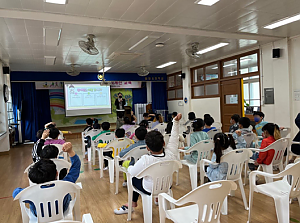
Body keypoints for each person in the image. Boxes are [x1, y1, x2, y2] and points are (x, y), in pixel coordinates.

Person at [114, 113, 182, 214]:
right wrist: (176, 122)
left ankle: (132, 203)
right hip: (167, 185)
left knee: (134, 178)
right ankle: (159, 198)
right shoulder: (171, 153)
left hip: (149, 188)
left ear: (147, 148)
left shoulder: (146, 159)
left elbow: (133, 172)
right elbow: (174, 137)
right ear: (163, 143)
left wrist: (130, 166)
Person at [12, 142, 81, 216]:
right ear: (57, 173)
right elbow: (76, 166)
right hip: (62, 210)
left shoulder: (31, 192)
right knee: (67, 196)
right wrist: (70, 151)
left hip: (39, 214)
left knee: (32, 203)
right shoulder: (66, 183)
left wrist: (24, 189)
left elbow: (15, 193)